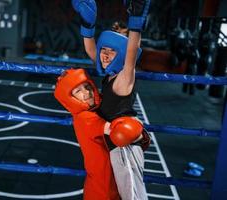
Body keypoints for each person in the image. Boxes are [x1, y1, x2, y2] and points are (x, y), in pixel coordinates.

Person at [72, 0, 151, 199]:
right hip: (113, 142)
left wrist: (136, 23)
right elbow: (92, 51)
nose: (105, 55)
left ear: (122, 54)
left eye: (111, 51)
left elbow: (131, 53)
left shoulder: (124, 77)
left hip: (125, 143)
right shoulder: (110, 74)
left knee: (133, 195)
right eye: (104, 50)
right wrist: (88, 25)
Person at [54, 68, 121, 200]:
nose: (86, 93)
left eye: (87, 86)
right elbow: (118, 131)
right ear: (70, 98)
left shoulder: (95, 109)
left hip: (105, 183)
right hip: (104, 189)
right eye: (78, 91)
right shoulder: (84, 118)